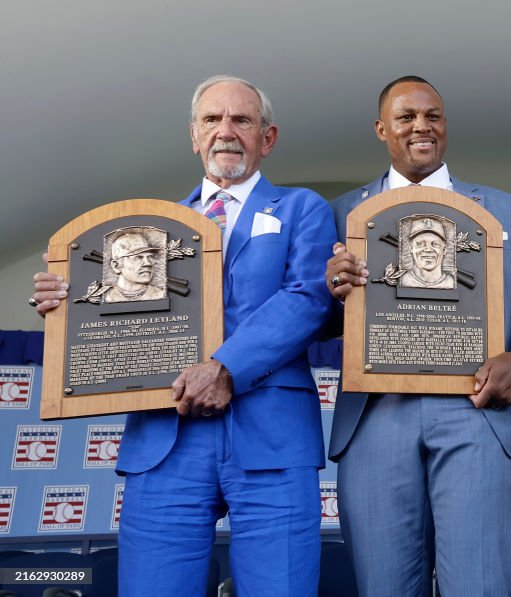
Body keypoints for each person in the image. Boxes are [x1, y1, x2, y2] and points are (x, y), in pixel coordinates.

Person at [31, 75, 336, 596]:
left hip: (272, 438)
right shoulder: (137, 232)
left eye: (242, 120)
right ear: (193, 136)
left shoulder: (302, 209)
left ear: (268, 137)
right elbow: (111, 320)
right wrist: (66, 305)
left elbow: (308, 297)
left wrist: (225, 368)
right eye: (212, 120)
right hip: (164, 441)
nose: (226, 131)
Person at [324, 75, 511, 597]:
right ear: (382, 129)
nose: (421, 127)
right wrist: (329, 291)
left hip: (475, 406)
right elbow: (320, 316)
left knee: (481, 582)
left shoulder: (498, 205)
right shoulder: (342, 212)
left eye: (433, 116)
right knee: (384, 585)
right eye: (406, 117)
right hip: (374, 414)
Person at [105, 230, 165, 302]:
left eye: (150, 257)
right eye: (138, 257)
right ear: (116, 266)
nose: (148, 263)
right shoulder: (106, 297)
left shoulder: (161, 294)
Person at [399, 216, 456, 288]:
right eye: (420, 244)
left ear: (444, 250)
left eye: (435, 244)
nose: (428, 249)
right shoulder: (404, 280)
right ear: (411, 248)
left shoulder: (451, 283)